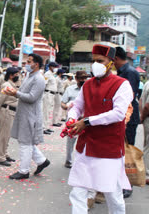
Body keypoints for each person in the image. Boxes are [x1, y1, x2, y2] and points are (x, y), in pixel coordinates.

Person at [67, 44, 133, 214]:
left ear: (111, 62)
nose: (95, 64)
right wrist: (72, 118)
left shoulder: (122, 85)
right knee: (78, 192)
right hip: (86, 146)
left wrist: (87, 121)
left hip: (108, 149)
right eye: (93, 61)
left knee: (112, 194)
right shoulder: (87, 84)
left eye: (100, 61)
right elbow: (77, 106)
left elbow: (118, 114)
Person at [5, 53, 50, 180]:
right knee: (26, 141)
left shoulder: (39, 79)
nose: (26, 64)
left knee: (25, 143)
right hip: (24, 113)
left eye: (29, 62)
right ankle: (42, 161)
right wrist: (14, 93)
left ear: (36, 64)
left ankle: (24, 171)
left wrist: (16, 94)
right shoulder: (29, 76)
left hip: (31, 115)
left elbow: (31, 97)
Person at [114, 46, 140, 198]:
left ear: (116, 58)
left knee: (127, 151)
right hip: (124, 117)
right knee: (120, 151)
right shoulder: (123, 72)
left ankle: (127, 185)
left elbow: (127, 99)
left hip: (128, 118)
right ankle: (119, 182)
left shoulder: (129, 73)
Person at [61, 71, 88, 169]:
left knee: (85, 141)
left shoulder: (90, 89)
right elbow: (63, 103)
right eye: (81, 78)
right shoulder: (70, 89)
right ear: (76, 79)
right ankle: (68, 160)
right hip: (73, 120)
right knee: (71, 141)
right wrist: (68, 106)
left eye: (85, 78)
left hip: (86, 120)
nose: (83, 80)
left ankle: (82, 162)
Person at [0, 67, 20, 167]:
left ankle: (5, 153)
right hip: (6, 111)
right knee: (3, 135)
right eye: (16, 74)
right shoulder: (6, 85)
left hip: (12, 112)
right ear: (11, 75)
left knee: (7, 135)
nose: (18, 76)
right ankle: (1, 157)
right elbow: (0, 100)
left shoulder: (13, 85)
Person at [43, 62, 58, 134]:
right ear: (50, 67)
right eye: (54, 67)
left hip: (52, 94)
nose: (56, 68)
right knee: (46, 111)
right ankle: (44, 128)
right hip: (48, 94)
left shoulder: (52, 75)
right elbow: (44, 84)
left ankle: (47, 126)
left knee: (49, 111)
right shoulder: (47, 74)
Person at [139, 80, 149, 185]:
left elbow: (141, 101)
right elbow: (147, 106)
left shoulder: (147, 83)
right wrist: (142, 117)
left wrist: (142, 116)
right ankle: (147, 174)